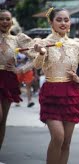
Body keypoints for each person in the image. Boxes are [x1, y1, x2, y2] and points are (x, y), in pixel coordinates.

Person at [33, 8, 79, 164]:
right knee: (58, 137)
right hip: (52, 93)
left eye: (66, 20)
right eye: (59, 20)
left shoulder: (76, 45)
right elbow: (36, 66)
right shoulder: (44, 43)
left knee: (66, 142)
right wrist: (41, 53)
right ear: (51, 22)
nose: (63, 23)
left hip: (71, 93)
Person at [0, 9, 34, 150]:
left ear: (12, 21)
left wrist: (20, 70)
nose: (5, 22)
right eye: (2, 19)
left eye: (8, 19)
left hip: (8, 78)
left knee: (2, 122)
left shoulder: (17, 39)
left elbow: (35, 58)